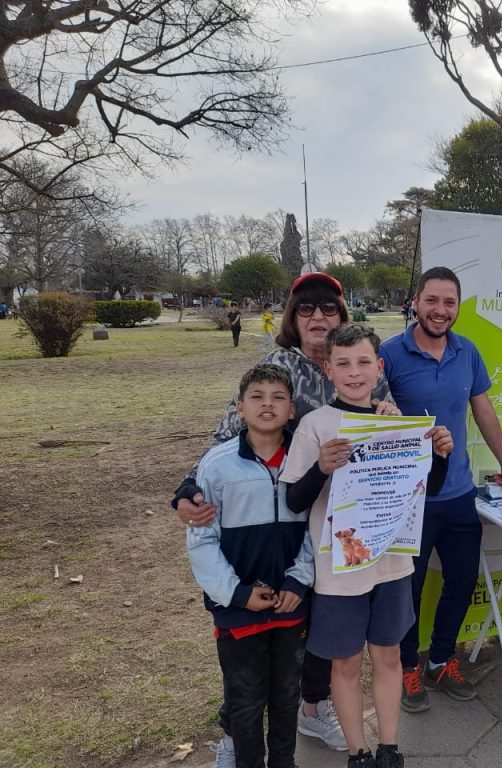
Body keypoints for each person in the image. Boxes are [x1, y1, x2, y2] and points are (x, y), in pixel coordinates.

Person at [174, 273, 396, 764]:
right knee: (249, 651)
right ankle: (237, 731)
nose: (318, 317)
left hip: (334, 529)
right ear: (292, 318)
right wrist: (186, 490)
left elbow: (384, 428)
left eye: (329, 308)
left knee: (316, 628)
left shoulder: (361, 369)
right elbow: (227, 434)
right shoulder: (278, 366)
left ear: (343, 316)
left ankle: (312, 710)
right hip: (273, 515)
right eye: (306, 308)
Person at [281, 325, 453, 768]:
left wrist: (437, 456)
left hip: (392, 565)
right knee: (345, 664)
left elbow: (423, 490)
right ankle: (358, 751)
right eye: (343, 363)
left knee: (389, 655)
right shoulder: (315, 425)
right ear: (328, 368)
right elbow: (294, 500)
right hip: (339, 571)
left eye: (363, 362)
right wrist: (320, 468)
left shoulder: (395, 419)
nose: (354, 373)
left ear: (378, 367)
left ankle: (389, 747)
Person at [381, 266, 502, 714]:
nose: (441, 311)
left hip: (459, 493)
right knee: (409, 588)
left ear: (457, 308)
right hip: (408, 499)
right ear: (415, 302)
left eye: (450, 303)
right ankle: (406, 668)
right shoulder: (389, 354)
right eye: (432, 301)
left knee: (460, 581)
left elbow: (484, 411)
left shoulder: (467, 351)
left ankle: (441, 659)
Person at [186, 363, 315, 768]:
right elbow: (201, 539)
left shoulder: (307, 462)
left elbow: (321, 525)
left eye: (278, 397)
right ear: (239, 409)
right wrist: (238, 593)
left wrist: (299, 580)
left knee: (285, 698)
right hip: (237, 610)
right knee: (244, 702)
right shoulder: (217, 465)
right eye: (256, 397)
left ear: (292, 410)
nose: (267, 405)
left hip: (291, 606)